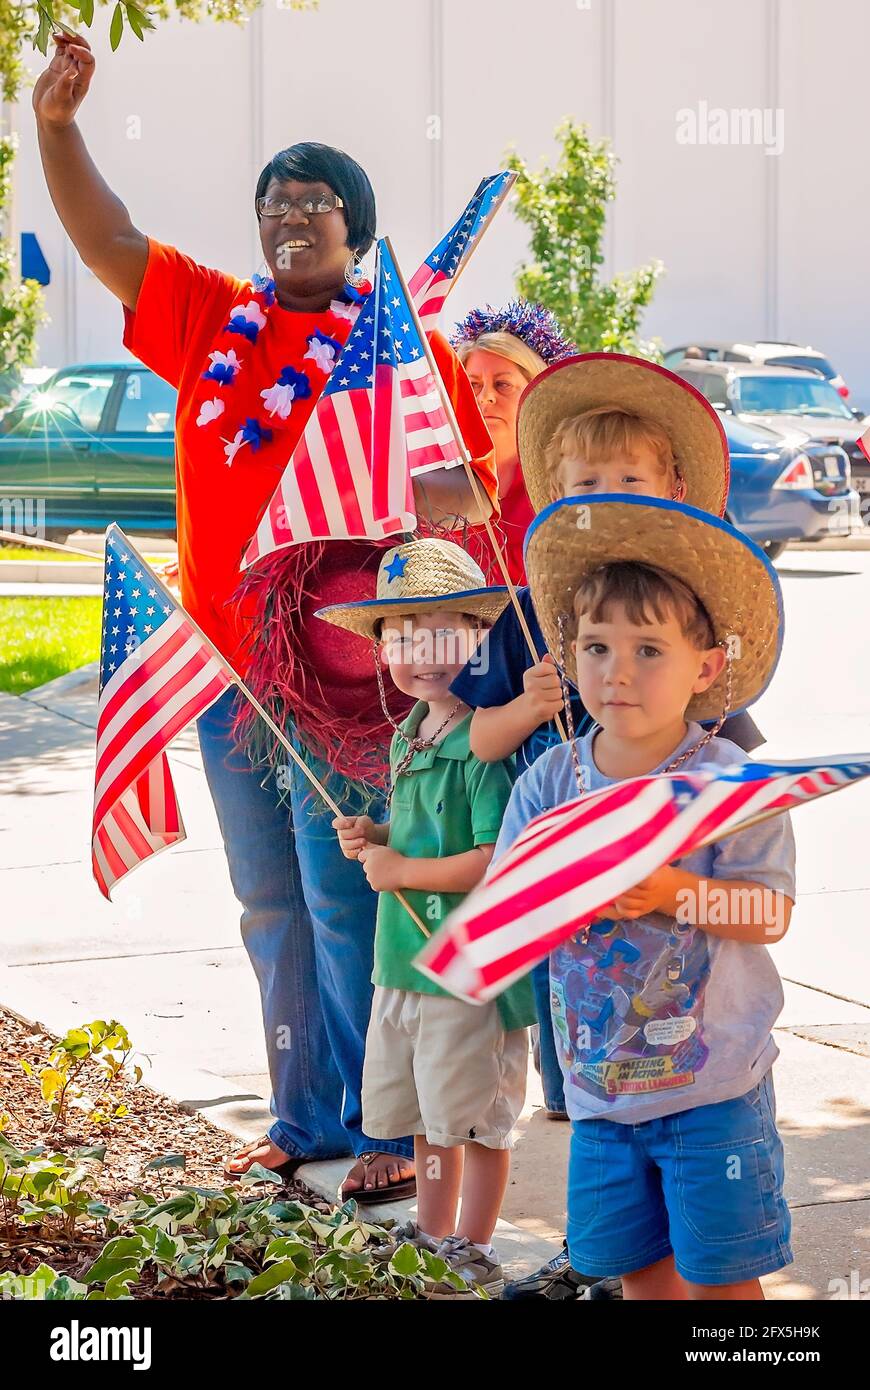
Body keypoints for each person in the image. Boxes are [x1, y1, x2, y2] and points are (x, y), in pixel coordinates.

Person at [33, 32, 499, 1203]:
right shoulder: (209, 317)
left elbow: (458, 494)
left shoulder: (402, 346)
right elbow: (107, 241)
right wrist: (56, 128)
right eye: (275, 208)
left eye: (318, 207)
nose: (293, 223)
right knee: (269, 901)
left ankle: (384, 1120)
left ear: (359, 228)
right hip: (232, 680)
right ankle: (303, 1113)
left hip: (352, 685)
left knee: (353, 895)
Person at [495, 494, 794, 1300]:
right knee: (637, 1276)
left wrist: (671, 890)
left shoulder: (732, 782)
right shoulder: (550, 783)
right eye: (595, 646)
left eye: (648, 649)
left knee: (722, 1281)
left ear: (706, 666)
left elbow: (768, 916)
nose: (616, 670)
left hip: (714, 1089)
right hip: (600, 1095)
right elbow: (504, 914)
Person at [320, 539, 536, 1297]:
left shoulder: (485, 746)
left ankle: (472, 1246)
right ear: (381, 651)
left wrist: (404, 870)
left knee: (472, 1118)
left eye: (444, 633)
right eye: (403, 637)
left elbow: (493, 857)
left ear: (479, 639)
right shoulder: (414, 732)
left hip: (467, 968)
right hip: (405, 957)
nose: (424, 654)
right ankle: (433, 1234)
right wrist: (377, 838)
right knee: (425, 1114)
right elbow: (413, 832)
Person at [452, 301, 574, 585]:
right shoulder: (432, 478)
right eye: (473, 385)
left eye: (502, 384)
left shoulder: (566, 480)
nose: (485, 398)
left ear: (536, 393)